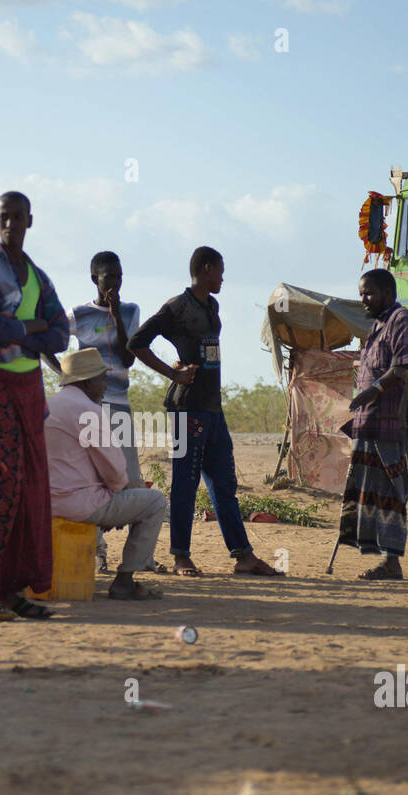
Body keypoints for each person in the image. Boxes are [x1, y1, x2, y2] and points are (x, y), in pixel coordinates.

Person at [128, 246, 283, 578]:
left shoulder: (212, 305)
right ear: (206, 268)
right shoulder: (177, 307)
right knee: (185, 482)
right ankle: (181, 556)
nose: (224, 278)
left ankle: (243, 556)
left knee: (224, 483)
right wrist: (173, 374)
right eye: (221, 271)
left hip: (213, 408)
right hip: (187, 410)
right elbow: (137, 342)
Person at [0, 190, 69, 620]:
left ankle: (11, 589)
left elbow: (60, 334)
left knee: (28, 485)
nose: (10, 224)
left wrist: (16, 330)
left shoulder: (39, 277)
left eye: (17, 217)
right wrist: (31, 326)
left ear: (30, 221)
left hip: (28, 385)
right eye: (3, 217)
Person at [338, 268, 408, 580]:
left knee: (393, 494)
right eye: (361, 294)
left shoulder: (403, 321)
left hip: (397, 424)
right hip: (371, 425)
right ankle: (385, 559)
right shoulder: (379, 325)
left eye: (368, 293)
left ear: (388, 293)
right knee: (370, 493)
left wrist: (374, 389)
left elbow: (405, 367)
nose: (363, 299)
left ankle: (392, 563)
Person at [68, 251, 165, 574]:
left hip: (119, 404)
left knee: (131, 478)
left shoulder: (129, 310)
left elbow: (128, 358)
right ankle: (98, 552)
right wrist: (64, 374)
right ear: (94, 278)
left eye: (118, 276)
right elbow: (47, 340)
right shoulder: (79, 314)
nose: (114, 282)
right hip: (88, 406)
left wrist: (115, 315)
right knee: (91, 477)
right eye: (108, 277)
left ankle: (141, 556)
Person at [45, 349, 166, 600]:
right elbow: (113, 468)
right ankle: (125, 581)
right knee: (155, 501)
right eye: (102, 379)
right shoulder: (87, 410)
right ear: (88, 381)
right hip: (78, 505)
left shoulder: (46, 406)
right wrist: (115, 500)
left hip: (43, 503)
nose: (104, 387)